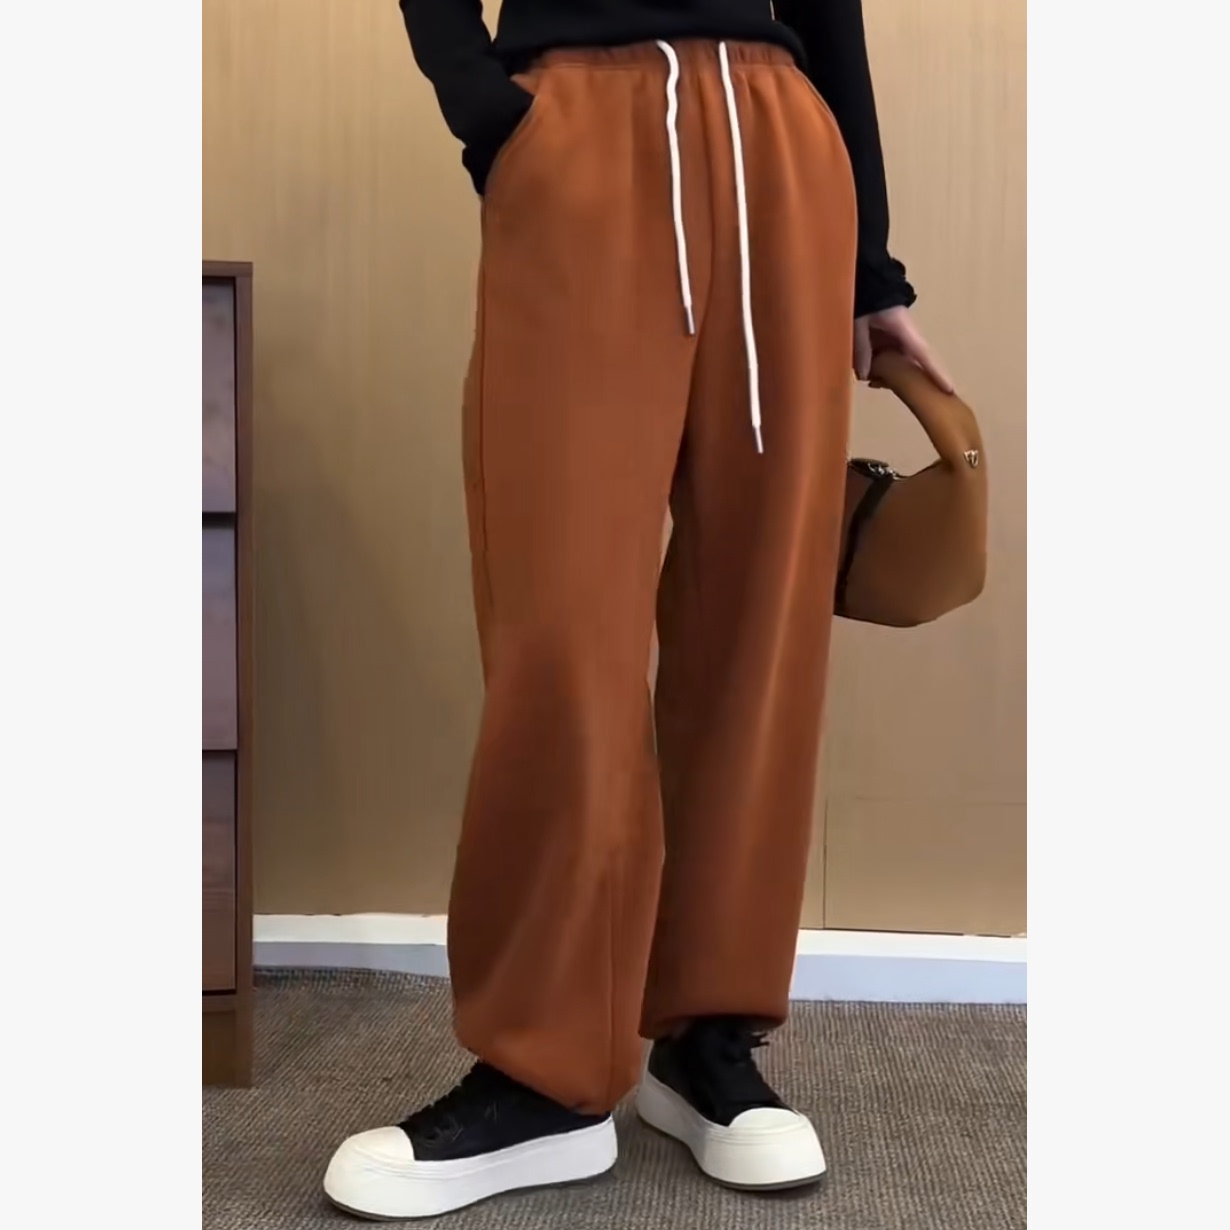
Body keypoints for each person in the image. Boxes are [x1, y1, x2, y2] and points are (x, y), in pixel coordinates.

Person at [325, 0, 953, 1220]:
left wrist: (869, 262)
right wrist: (495, 118)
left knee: (760, 620)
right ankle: (543, 1072)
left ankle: (708, 1039)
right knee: (562, 626)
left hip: (780, 144)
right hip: (580, 131)